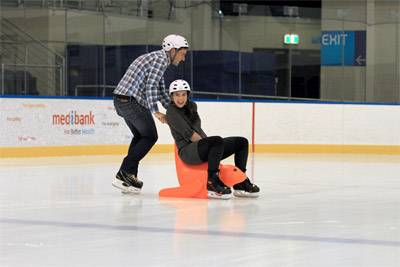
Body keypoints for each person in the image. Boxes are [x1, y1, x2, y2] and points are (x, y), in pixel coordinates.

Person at [112, 34, 189, 193]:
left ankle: (129, 177)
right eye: (182, 54)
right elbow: (151, 87)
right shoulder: (160, 60)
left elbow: (160, 89)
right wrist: (156, 112)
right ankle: (124, 172)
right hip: (131, 101)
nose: (183, 59)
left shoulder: (157, 60)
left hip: (122, 101)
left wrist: (173, 108)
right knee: (150, 136)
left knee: (141, 137)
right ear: (173, 50)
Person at [166, 79, 260, 199]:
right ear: (171, 96)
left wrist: (212, 147)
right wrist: (211, 146)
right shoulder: (171, 112)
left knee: (241, 142)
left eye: (183, 94)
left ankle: (240, 182)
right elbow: (191, 135)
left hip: (200, 147)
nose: (180, 98)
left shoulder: (192, 106)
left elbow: (197, 127)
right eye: (177, 94)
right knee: (216, 141)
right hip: (187, 152)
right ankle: (212, 181)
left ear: (188, 95)